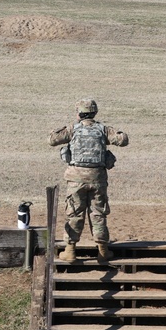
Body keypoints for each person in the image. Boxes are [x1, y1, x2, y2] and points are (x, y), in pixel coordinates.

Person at [48, 98, 129, 261]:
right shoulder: (103, 130)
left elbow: (52, 140)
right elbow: (123, 140)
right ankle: (103, 251)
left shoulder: (73, 129)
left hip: (76, 179)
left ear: (79, 113)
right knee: (98, 213)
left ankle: (70, 251)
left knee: (74, 213)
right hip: (98, 178)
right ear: (95, 112)